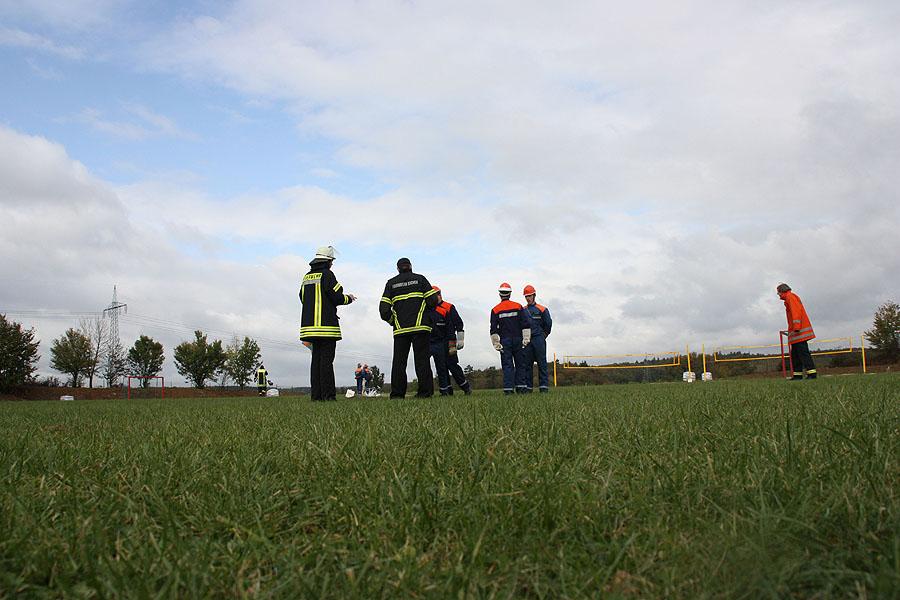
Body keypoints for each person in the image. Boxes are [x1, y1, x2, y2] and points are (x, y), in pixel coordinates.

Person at [299, 246, 356, 400]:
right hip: (326, 328)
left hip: (309, 329)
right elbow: (337, 297)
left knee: (315, 362)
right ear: (328, 261)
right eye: (332, 261)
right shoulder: (328, 275)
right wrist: (349, 298)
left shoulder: (306, 277)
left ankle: (316, 397)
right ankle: (329, 396)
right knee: (326, 362)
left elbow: (302, 298)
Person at [379, 258, 439, 398]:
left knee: (399, 363)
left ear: (398, 269)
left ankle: (397, 395)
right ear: (411, 267)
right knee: (422, 361)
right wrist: (426, 315)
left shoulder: (391, 283)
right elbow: (433, 301)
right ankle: (425, 393)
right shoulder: (421, 279)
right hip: (421, 328)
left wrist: (393, 321)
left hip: (401, 330)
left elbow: (383, 310)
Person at [490, 282, 532, 394]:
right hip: (518, 339)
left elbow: (493, 329)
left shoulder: (495, 310)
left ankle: (508, 390)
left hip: (505, 341)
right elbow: (525, 324)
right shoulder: (518, 306)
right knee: (520, 364)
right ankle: (521, 388)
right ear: (510, 294)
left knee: (507, 365)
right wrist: (526, 338)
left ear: (500, 294)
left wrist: (496, 343)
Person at [430, 286, 472, 395]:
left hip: (450, 342)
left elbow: (459, 323)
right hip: (436, 342)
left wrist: (460, 338)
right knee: (441, 367)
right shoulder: (429, 309)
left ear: (439, 295)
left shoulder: (448, 307)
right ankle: (447, 391)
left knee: (452, 365)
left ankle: (466, 387)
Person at [777, 283, 817, 380]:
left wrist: (796, 326)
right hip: (796, 332)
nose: (778, 295)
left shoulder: (790, 297)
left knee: (803, 353)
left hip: (799, 332)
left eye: (778, 292)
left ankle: (812, 373)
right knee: (795, 354)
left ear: (782, 291)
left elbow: (796, 312)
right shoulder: (790, 298)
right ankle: (797, 375)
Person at [521, 284, 553, 392]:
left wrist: (544, 335)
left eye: (529, 296)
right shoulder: (523, 310)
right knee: (527, 365)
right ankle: (528, 388)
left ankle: (543, 388)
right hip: (527, 339)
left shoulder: (542, 309)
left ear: (534, 295)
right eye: (526, 296)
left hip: (539, 338)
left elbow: (548, 323)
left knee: (542, 363)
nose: (528, 298)